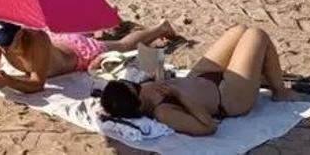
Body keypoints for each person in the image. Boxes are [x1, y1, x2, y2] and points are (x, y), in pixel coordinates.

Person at [100, 24, 299, 136]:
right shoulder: (164, 112)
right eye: (136, 87)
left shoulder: (143, 88)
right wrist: (180, 96)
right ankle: (280, 92)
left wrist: (158, 73)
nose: (139, 85)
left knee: (239, 30)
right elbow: (208, 127)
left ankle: (259, 75)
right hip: (227, 97)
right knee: (257, 35)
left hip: (201, 77)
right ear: (137, 100)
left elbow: (151, 60)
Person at [0, 20, 179, 93]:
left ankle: (161, 28)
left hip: (78, 53)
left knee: (122, 46)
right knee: (111, 41)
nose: (4, 48)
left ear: (20, 33)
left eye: (8, 42)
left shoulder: (36, 40)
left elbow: (37, 84)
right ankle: (104, 25)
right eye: (1, 42)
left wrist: (9, 81)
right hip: (59, 42)